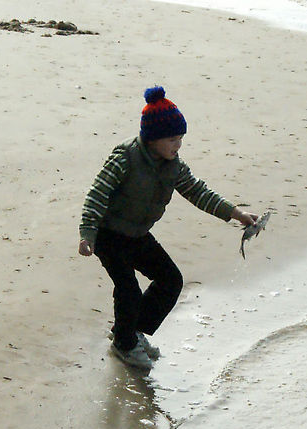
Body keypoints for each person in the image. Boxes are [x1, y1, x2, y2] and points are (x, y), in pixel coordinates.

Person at [78, 86, 258, 369]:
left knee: (171, 280)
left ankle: (133, 331)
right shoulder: (125, 157)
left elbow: (198, 192)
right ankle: (123, 345)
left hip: (137, 235)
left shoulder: (173, 166)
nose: (178, 145)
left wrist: (236, 213)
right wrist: (87, 234)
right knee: (128, 290)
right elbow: (97, 195)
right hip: (108, 235)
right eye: (173, 139)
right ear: (153, 138)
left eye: (181, 139)